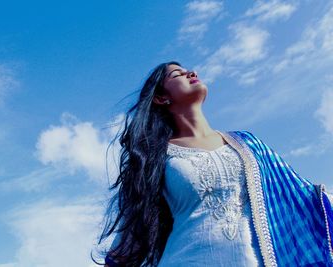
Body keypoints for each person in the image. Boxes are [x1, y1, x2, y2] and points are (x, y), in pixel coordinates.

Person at [91, 61, 333, 267]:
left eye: (189, 70)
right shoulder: (153, 157)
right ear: (161, 98)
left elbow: (304, 197)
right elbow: (130, 237)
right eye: (177, 74)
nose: (190, 73)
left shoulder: (248, 144)